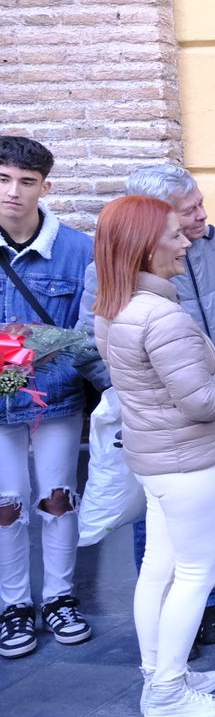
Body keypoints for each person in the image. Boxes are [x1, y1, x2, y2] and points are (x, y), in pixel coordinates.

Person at [77, 164, 215, 654]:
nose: (200, 218)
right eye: (186, 213)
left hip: (183, 431)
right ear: (152, 227)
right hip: (183, 436)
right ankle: (171, 675)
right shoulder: (144, 302)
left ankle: (162, 665)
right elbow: (98, 352)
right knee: (188, 568)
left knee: (166, 560)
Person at [0, 136, 94, 660]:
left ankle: (60, 598)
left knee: (58, 499)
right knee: (5, 505)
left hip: (55, 397)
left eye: (26, 181)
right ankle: (13, 605)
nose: (12, 192)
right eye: (2, 179)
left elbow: (89, 329)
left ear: (45, 186)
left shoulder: (77, 250)